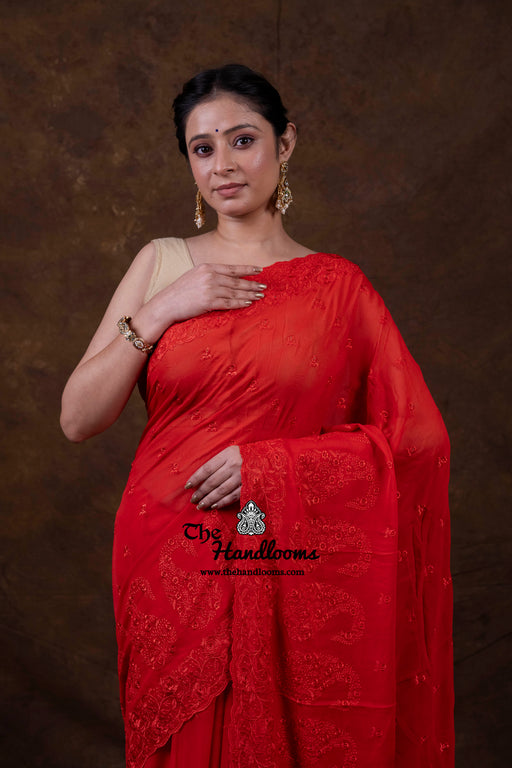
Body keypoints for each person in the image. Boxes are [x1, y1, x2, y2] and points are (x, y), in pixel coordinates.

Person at [60, 63, 455, 768]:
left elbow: (417, 441)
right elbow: (77, 418)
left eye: (242, 140)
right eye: (202, 148)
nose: (223, 164)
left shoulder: (339, 287)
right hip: (170, 551)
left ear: (285, 142)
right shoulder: (162, 263)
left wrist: (272, 468)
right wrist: (164, 307)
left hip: (285, 556)